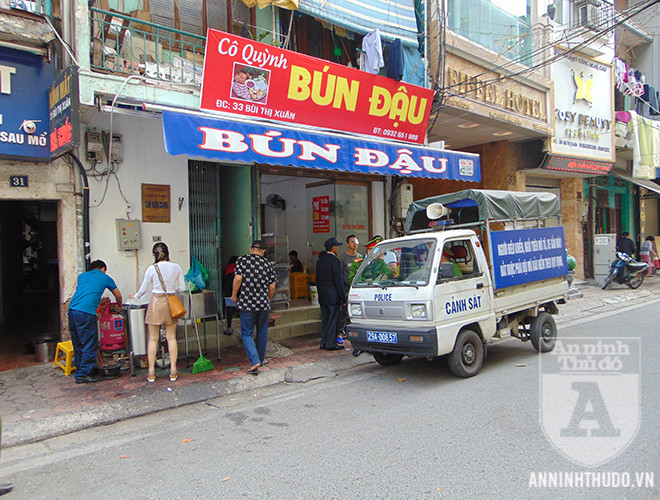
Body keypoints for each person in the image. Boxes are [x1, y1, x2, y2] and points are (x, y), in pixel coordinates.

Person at [130, 243, 185, 383]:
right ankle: (173, 370)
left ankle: (151, 372)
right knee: (171, 338)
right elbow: (182, 288)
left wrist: (135, 296)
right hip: (171, 303)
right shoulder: (176, 267)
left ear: (154, 255)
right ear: (168, 252)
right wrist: (173, 294)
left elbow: (143, 290)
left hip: (156, 303)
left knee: (153, 339)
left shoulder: (151, 269)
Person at [68, 259, 123, 384]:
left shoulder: (82, 277)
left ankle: (80, 371)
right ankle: (84, 374)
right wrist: (119, 306)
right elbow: (118, 295)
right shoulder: (105, 277)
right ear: (103, 269)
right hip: (86, 314)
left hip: (72, 311)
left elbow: (86, 295)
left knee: (78, 344)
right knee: (90, 344)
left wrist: (100, 302)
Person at [231, 240, 277, 376]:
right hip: (263, 303)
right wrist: (268, 299)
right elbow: (272, 286)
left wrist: (234, 295)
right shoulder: (268, 264)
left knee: (246, 333)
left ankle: (255, 361)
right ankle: (260, 359)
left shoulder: (242, 260)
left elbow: (238, 278)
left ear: (251, 249)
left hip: (247, 303)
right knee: (262, 331)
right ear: (263, 251)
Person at [315, 237, 345, 351]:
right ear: (333, 248)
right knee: (333, 320)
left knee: (325, 319)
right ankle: (331, 343)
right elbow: (339, 281)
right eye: (336, 246)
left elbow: (317, 279)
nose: (337, 248)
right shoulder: (335, 261)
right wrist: (343, 298)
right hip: (333, 296)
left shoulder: (320, 261)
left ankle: (323, 341)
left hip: (322, 295)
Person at [337, 235, 362, 340]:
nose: (355, 244)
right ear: (348, 244)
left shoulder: (360, 257)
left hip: (357, 288)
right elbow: (339, 274)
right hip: (346, 287)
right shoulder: (342, 258)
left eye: (356, 242)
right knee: (344, 310)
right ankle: (340, 331)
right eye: (352, 242)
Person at [223, 256, 239, 336]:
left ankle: (229, 327)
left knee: (229, 305)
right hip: (238, 283)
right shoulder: (239, 266)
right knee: (241, 303)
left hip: (228, 283)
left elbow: (223, 279)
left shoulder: (227, 267)